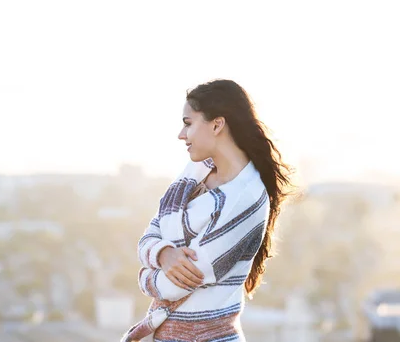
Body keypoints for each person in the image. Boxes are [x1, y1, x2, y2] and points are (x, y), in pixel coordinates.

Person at [121, 79, 293, 342]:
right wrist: (164, 254)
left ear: (216, 124)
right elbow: (152, 230)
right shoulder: (196, 171)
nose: (181, 134)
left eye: (188, 123)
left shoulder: (244, 197)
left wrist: (145, 272)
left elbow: (175, 286)